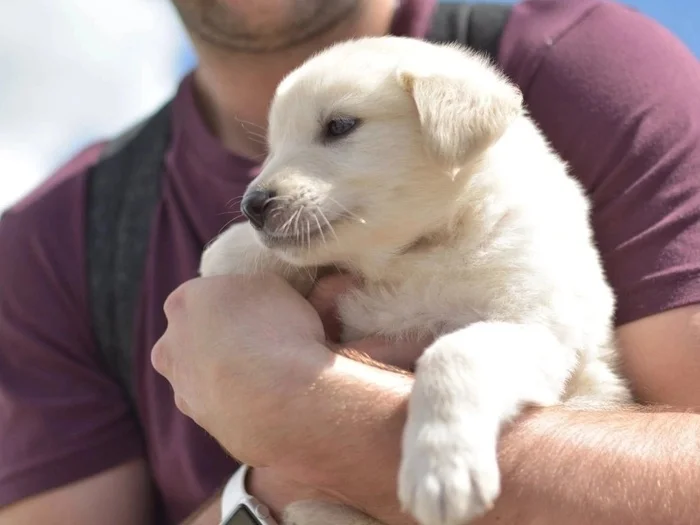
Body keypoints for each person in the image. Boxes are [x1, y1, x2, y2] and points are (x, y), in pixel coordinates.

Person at [1, 0, 699, 524]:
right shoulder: (53, 240)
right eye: (269, 154)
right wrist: (263, 502)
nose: (260, 193)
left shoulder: (580, 74)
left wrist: (318, 413)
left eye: (337, 130)